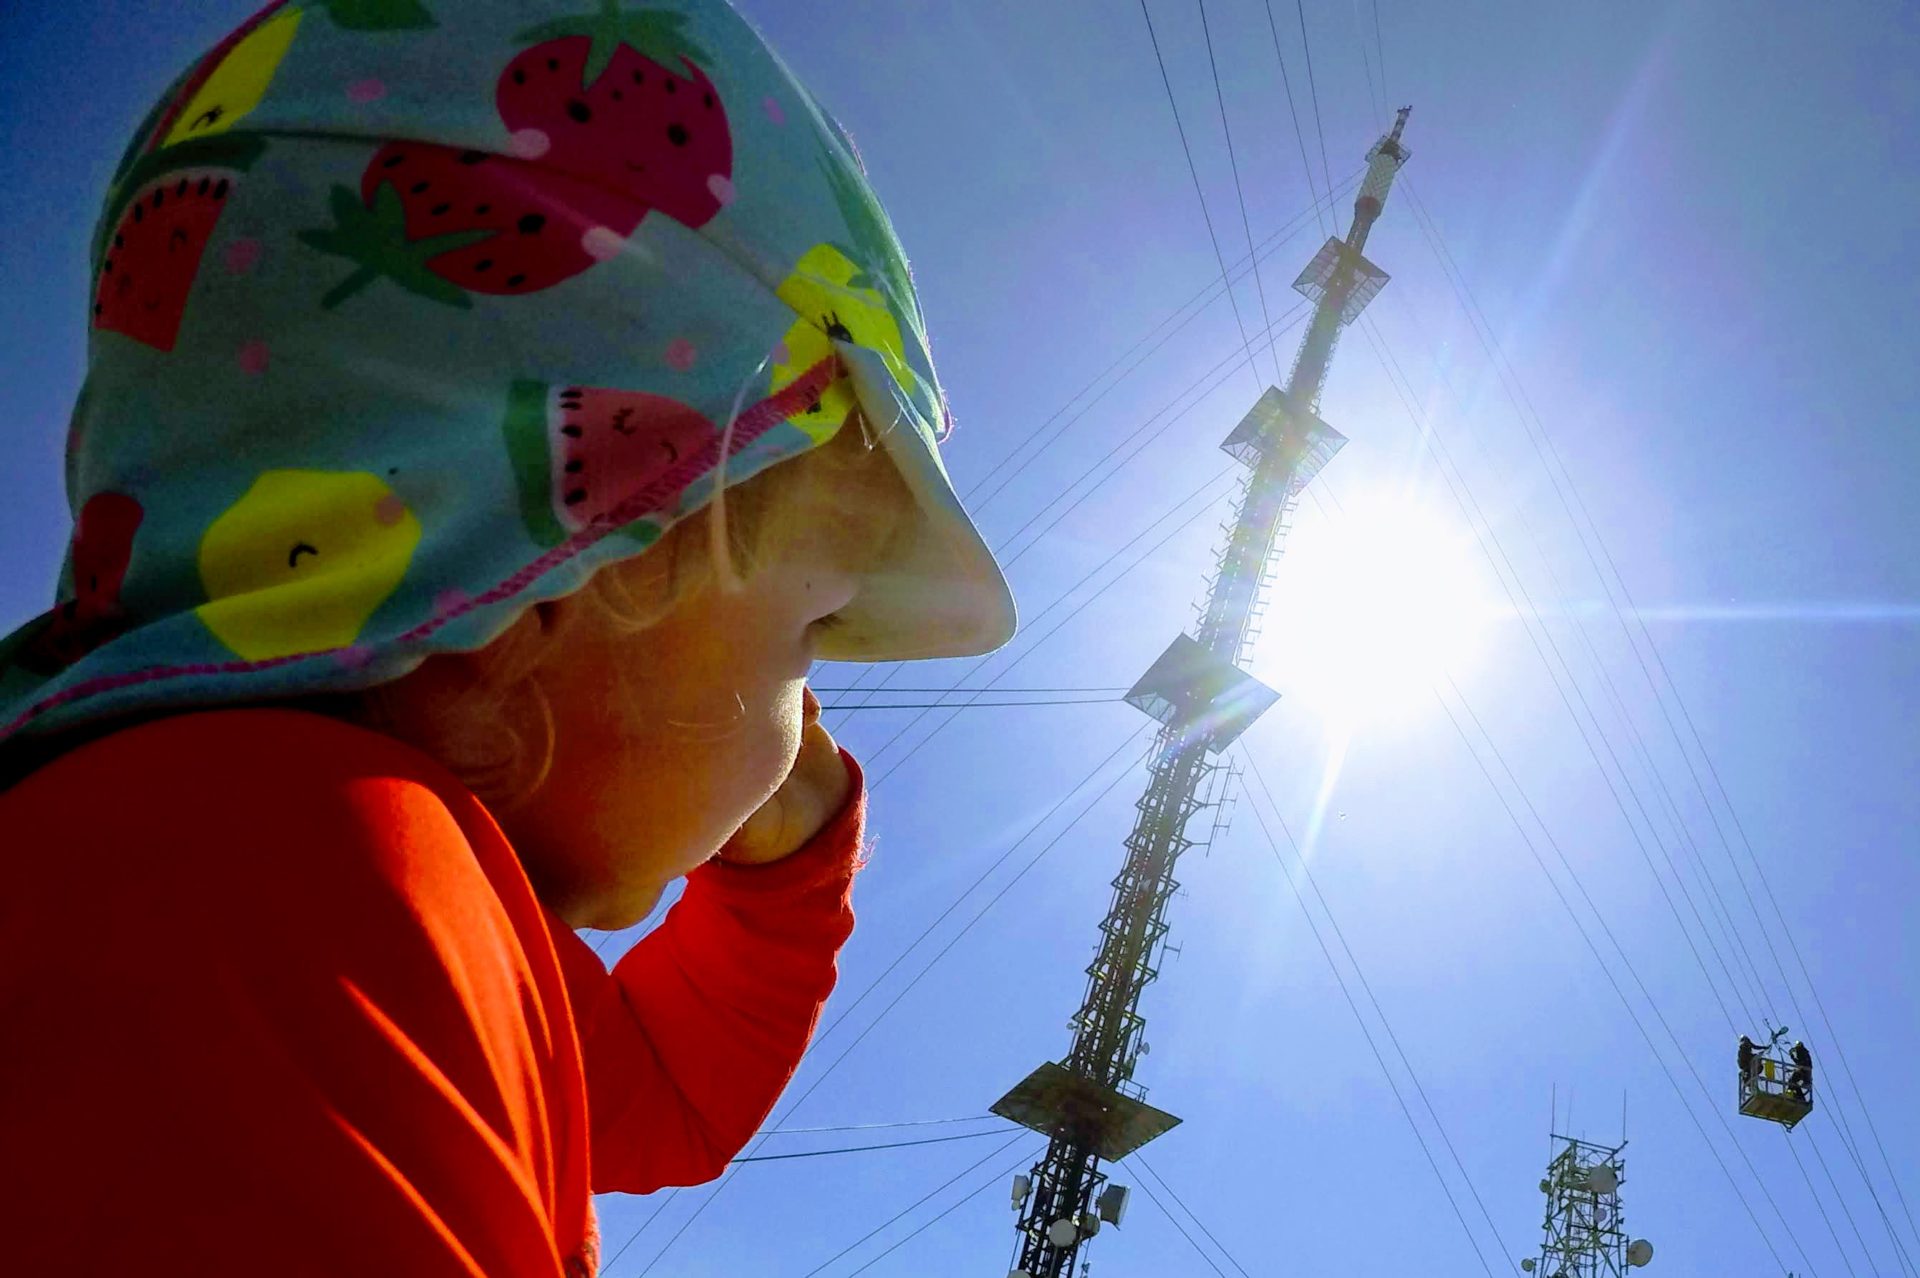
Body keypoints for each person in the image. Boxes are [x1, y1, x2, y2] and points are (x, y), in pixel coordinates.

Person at [0, 1, 1016, 1272]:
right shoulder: (292, 876)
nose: (804, 716)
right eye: (808, 629)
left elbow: (666, 1097)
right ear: (570, 566)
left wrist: (783, 863)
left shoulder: (272, 858)